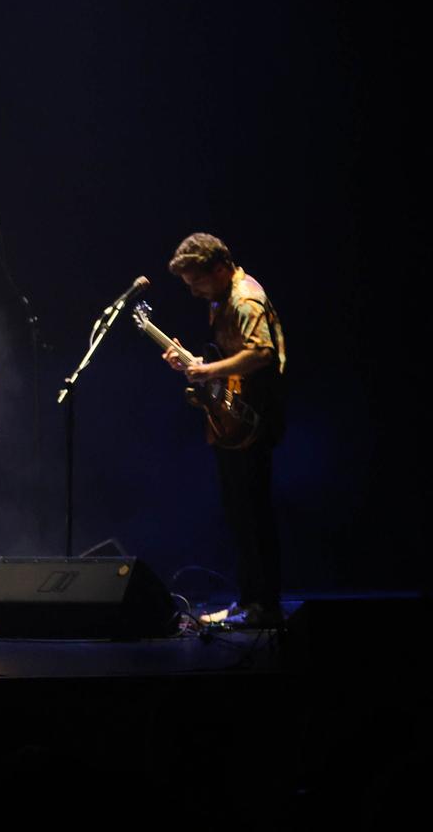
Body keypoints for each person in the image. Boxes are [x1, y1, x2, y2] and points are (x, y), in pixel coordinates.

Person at [163, 232, 288, 627]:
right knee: (239, 516)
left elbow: (262, 354)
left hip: (254, 420)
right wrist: (194, 362)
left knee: (254, 515)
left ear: (219, 269)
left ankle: (264, 606)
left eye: (197, 281)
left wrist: (207, 370)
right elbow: (228, 357)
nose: (195, 291)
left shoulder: (244, 298)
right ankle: (250, 602)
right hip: (233, 420)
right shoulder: (221, 299)